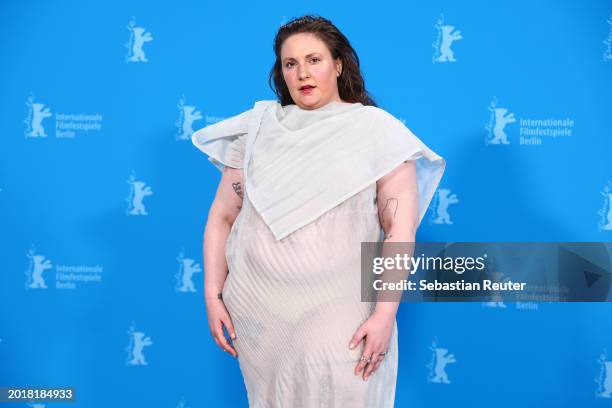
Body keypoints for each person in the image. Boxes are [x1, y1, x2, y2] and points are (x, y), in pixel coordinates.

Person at [192, 14, 445, 408]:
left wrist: (384, 316)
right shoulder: (258, 128)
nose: (302, 73)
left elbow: (399, 232)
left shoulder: (379, 132)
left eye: (314, 60)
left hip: (343, 311)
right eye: (290, 64)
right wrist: (212, 296)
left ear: (338, 64)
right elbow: (223, 216)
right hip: (261, 313)